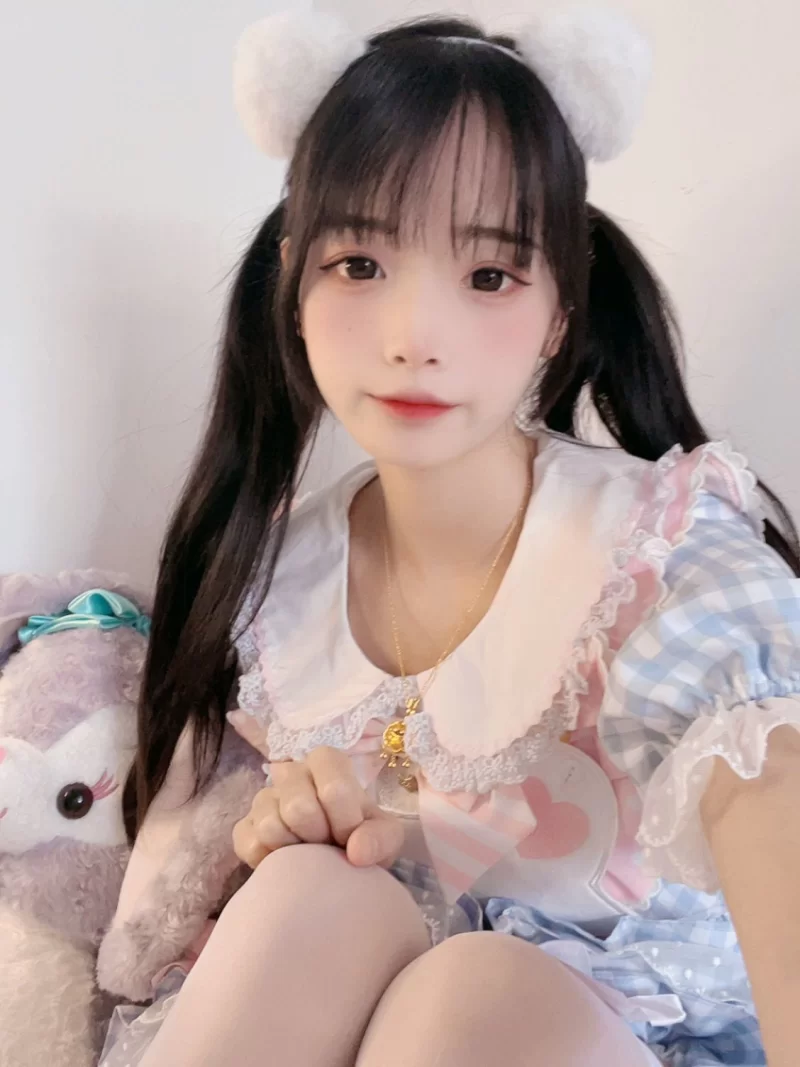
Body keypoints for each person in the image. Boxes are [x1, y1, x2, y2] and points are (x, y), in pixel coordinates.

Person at [99, 8, 800, 1067]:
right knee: (314, 888)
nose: (413, 337)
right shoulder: (273, 588)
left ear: (560, 310)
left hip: (626, 1030)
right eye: (358, 264)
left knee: (471, 995)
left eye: (488, 277)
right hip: (367, 996)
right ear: (293, 279)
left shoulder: (656, 561)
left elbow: (771, 785)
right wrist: (274, 835)